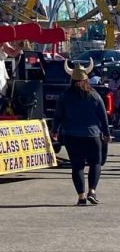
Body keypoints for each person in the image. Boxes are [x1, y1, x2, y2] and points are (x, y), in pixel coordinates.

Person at [52, 58, 110, 205]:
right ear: (87, 79)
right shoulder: (95, 96)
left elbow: (58, 115)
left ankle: (81, 196)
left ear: (71, 79)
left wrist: (54, 130)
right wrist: (107, 134)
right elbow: (103, 117)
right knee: (95, 163)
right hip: (93, 135)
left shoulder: (64, 96)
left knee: (77, 166)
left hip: (72, 136)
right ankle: (92, 191)